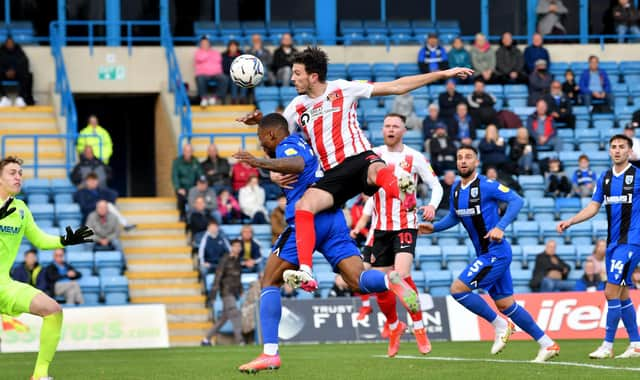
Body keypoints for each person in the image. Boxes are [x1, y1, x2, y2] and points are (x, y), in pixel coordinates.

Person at [237, 47, 472, 289]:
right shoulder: (297, 107)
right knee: (304, 206)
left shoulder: (343, 88)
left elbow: (396, 86)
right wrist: (265, 137)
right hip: (333, 175)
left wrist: (444, 74)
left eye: (297, 73)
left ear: (313, 76)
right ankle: (306, 270)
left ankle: (402, 192)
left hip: (359, 157)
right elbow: (277, 135)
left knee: (376, 169)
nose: (293, 78)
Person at [234, 113, 420, 373]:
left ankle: (270, 353)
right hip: (333, 219)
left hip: (308, 219)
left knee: (270, 281)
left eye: (261, 137)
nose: (260, 142)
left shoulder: (286, 146)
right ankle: (391, 280)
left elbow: (296, 164)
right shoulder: (300, 140)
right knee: (358, 280)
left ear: (272, 135)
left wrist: (260, 162)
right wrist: (262, 124)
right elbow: (284, 138)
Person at [420, 145, 559, 362]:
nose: (463, 161)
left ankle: (500, 325)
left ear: (476, 162)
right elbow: (455, 217)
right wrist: (434, 228)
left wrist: (501, 226)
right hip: (485, 253)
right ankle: (547, 344)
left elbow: (517, 200)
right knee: (506, 304)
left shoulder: (487, 185)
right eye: (459, 157)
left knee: (458, 290)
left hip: (496, 253)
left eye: (468, 157)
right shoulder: (456, 189)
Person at [0, 156, 92, 379]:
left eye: (20, 173)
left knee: (53, 310)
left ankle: (39, 375)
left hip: (4, 284)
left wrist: (64, 241)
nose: (18, 177)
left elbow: (39, 239)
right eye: (12, 172)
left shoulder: (20, 209)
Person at [364, 113, 443, 357]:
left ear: (403, 131)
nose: (390, 129)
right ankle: (394, 325)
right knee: (381, 286)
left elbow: (437, 185)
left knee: (401, 275)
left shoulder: (414, 157)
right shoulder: (372, 156)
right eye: (386, 125)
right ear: (382, 129)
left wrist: (432, 206)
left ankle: (419, 328)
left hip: (405, 225)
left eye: (395, 126)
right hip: (380, 228)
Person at [557, 134, 640, 359]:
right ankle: (636, 344)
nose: (617, 150)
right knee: (622, 294)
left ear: (630, 151)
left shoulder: (638, 176)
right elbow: (593, 207)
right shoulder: (604, 178)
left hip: (631, 242)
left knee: (610, 290)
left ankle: (607, 345)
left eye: (622, 147)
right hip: (613, 243)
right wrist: (571, 221)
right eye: (613, 147)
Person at [201, 239, 244, 346]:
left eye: (239, 246)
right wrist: (213, 294)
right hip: (226, 291)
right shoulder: (225, 259)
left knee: (223, 319)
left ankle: (206, 339)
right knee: (235, 314)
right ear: (231, 247)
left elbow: (238, 277)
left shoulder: (238, 260)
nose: (238, 248)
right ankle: (240, 341)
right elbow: (218, 276)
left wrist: (240, 290)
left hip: (233, 292)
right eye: (236, 246)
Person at [0, 36, 34, 107]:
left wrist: (14, 70)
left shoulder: (19, 51)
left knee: (28, 75)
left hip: (17, 74)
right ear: (5, 44)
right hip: (3, 74)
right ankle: (4, 97)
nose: (10, 44)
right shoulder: (1, 51)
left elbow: (24, 62)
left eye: (11, 43)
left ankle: (21, 98)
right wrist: (5, 71)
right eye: (8, 43)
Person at [194, 36, 228, 107]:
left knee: (224, 78)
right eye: (203, 43)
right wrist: (207, 53)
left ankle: (215, 97)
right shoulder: (198, 53)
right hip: (203, 74)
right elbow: (200, 59)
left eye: (206, 43)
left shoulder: (215, 52)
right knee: (200, 78)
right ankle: (204, 98)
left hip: (216, 74)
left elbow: (218, 61)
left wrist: (208, 55)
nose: (205, 45)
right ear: (200, 44)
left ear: (209, 44)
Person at [172, 144, 203, 221]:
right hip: (182, 187)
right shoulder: (177, 162)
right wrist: (178, 188)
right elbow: (174, 176)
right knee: (181, 196)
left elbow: (200, 174)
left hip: (193, 187)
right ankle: (182, 215)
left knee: (198, 195)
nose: (188, 153)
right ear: (183, 152)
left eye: (190, 151)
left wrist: (199, 185)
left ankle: (196, 216)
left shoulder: (195, 161)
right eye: (186, 151)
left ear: (192, 152)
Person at [222, 40, 247, 104]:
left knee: (245, 77)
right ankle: (234, 98)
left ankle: (242, 98)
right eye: (231, 46)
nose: (233, 48)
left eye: (234, 46)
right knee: (233, 77)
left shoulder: (242, 54)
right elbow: (224, 68)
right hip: (229, 73)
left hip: (241, 73)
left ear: (237, 47)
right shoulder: (224, 55)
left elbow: (245, 66)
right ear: (229, 47)